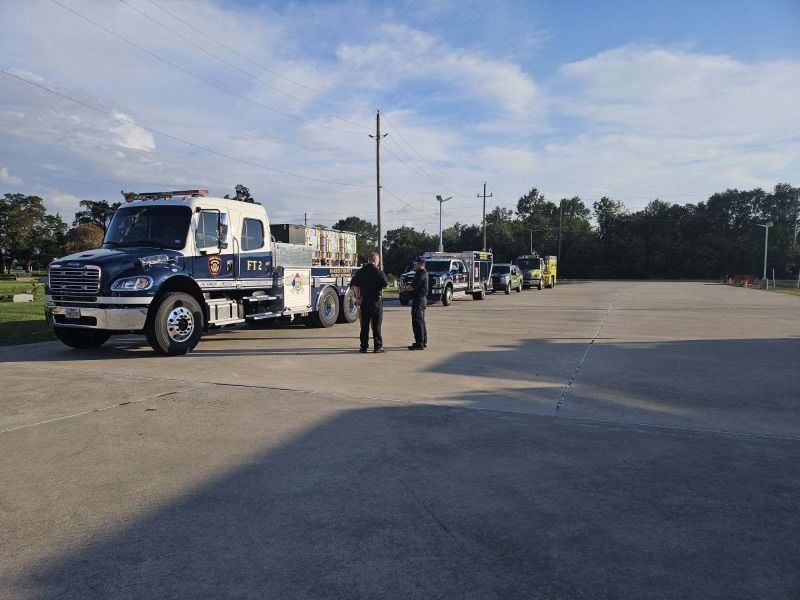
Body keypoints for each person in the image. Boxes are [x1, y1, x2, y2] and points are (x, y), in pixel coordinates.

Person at [350, 251, 389, 353]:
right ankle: (378, 347)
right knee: (376, 326)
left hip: (364, 302)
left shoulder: (361, 271)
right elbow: (386, 285)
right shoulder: (378, 272)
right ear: (375, 260)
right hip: (376, 302)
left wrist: (358, 298)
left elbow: (355, 286)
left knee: (364, 326)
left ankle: (363, 347)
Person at [404, 256, 428, 350]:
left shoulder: (421, 274)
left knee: (417, 321)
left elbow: (412, 287)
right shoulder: (421, 273)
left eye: (417, 264)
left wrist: (406, 287)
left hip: (419, 300)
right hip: (420, 299)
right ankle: (423, 341)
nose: (415, 265)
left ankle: (420, 343)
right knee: (420, 321)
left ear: (421, 264)